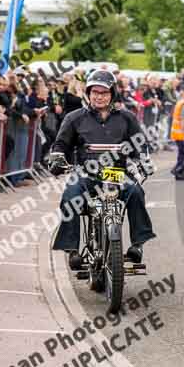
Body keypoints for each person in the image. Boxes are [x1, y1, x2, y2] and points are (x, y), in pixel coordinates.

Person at [49, 70, 156, 268]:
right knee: (70, 195)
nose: (99, 96)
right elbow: (60, 145)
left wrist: (143, 160)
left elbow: (139, 144)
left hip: (116, 173)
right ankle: (72, 249)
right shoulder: (74, 118)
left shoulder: (127, 118)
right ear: (88, 93)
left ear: (112, 94)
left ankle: (138, 245)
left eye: (104, 92)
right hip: (85, 172)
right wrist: (56, 158)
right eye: (95, 92)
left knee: (135, 191)